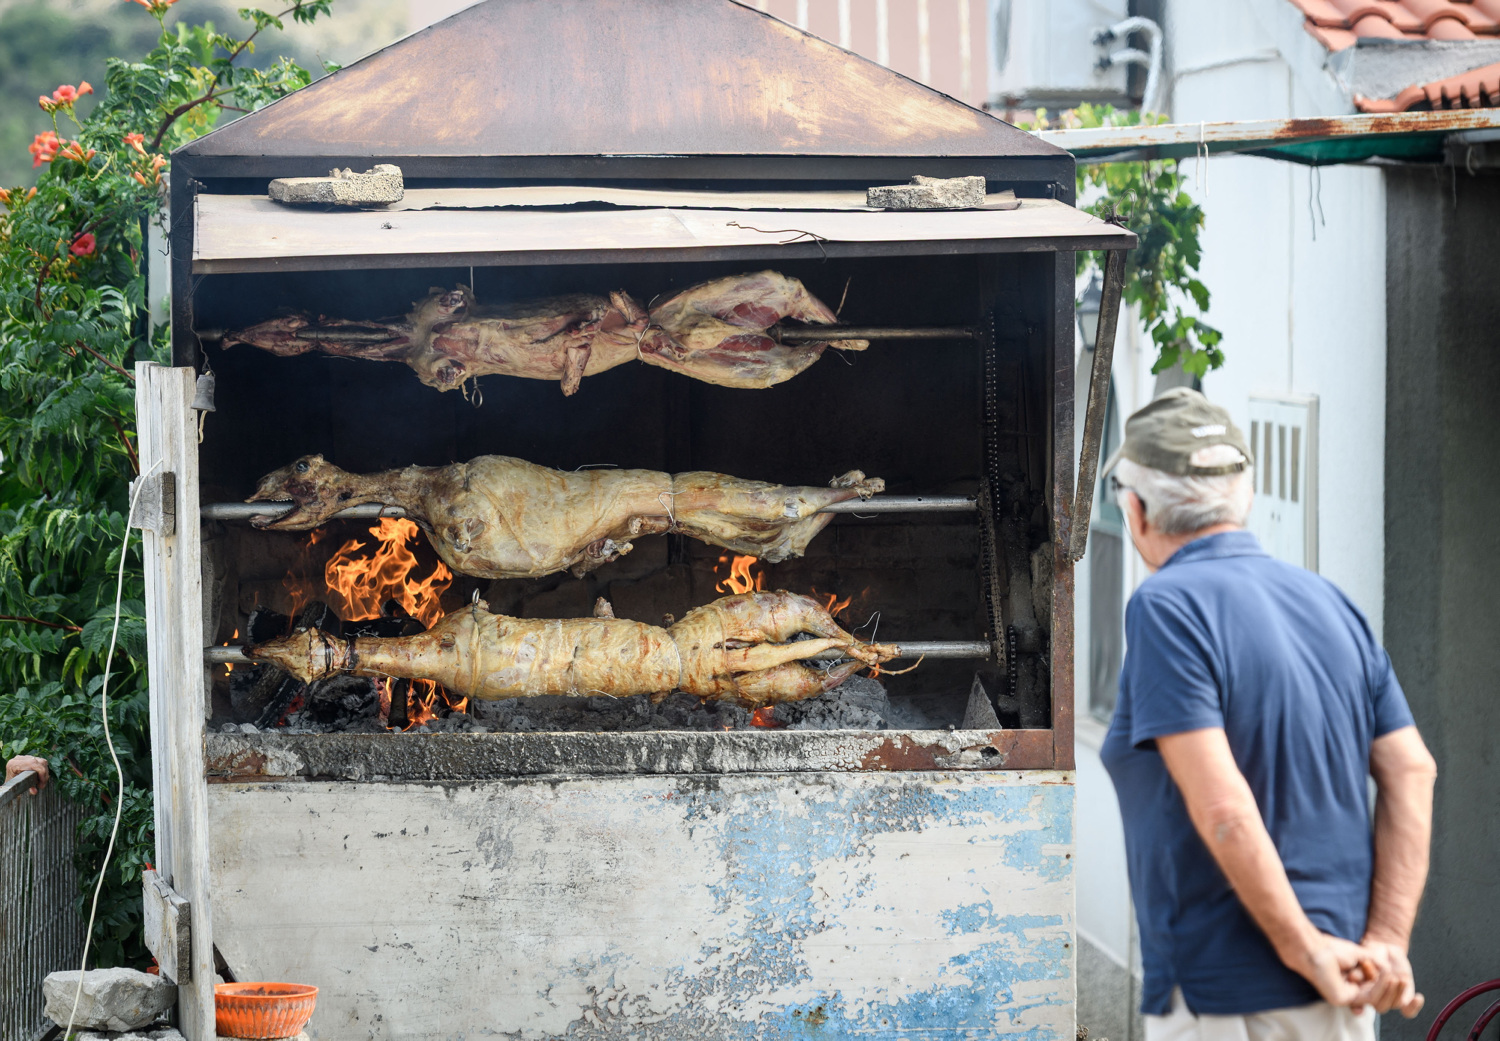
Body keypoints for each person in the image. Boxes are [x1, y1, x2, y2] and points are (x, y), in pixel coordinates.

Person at [1099, 388, 1437, 1041]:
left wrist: (1304, 947)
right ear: (1244, 495)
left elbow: (1223, 806)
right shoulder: (1330, 601)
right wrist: (1386, 943)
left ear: (1136, 510)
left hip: (1229, 1001)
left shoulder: (1167, 606)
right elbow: (1412, 769)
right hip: (1345, 989)